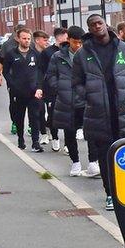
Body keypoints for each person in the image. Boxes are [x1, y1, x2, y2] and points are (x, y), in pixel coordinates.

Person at [72, 14, 125, 211]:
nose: (96, 26)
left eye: (99, 23)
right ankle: (110, 193)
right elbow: (76, 82)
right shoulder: (82, 54)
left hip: (123, 112)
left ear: (105, 24)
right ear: (89, 29)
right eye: (92, 25)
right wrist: (89, 97)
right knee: (105, 157)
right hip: (98, 113)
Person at [42, 26, 86, 176]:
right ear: (69, 40)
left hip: (86, 100)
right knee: (69, 132)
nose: (78, 46)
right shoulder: (58, 56)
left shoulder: (88, 55)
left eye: (81, 42)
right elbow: (51, 75)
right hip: (66, 100)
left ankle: (93, 162)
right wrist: (59, 87)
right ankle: (75, 162)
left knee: (92, 133)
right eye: (75, 42)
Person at [2, 27, 43, 152]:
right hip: (18, 92)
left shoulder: (35, 54)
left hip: (33, 92)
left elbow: (41, 72)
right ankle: (21, 139)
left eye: (28, 39)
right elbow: (6, 72)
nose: (26, 41)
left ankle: (36, 142)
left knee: (34, 117)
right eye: (24, 38)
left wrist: (39, 87)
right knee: (19, 117)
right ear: (18, 39)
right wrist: (12, 85)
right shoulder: (11, 54)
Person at [37, 27, 68, 152]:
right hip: (51, 89)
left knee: (67, 116)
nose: (67, 39)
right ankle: (55, 138)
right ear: (58, 37)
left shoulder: (68, 51)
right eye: (66, 37)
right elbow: (41, 71)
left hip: (66, 89)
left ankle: (68, 143)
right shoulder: (47, 52)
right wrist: (40, 87)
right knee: (53, 115)